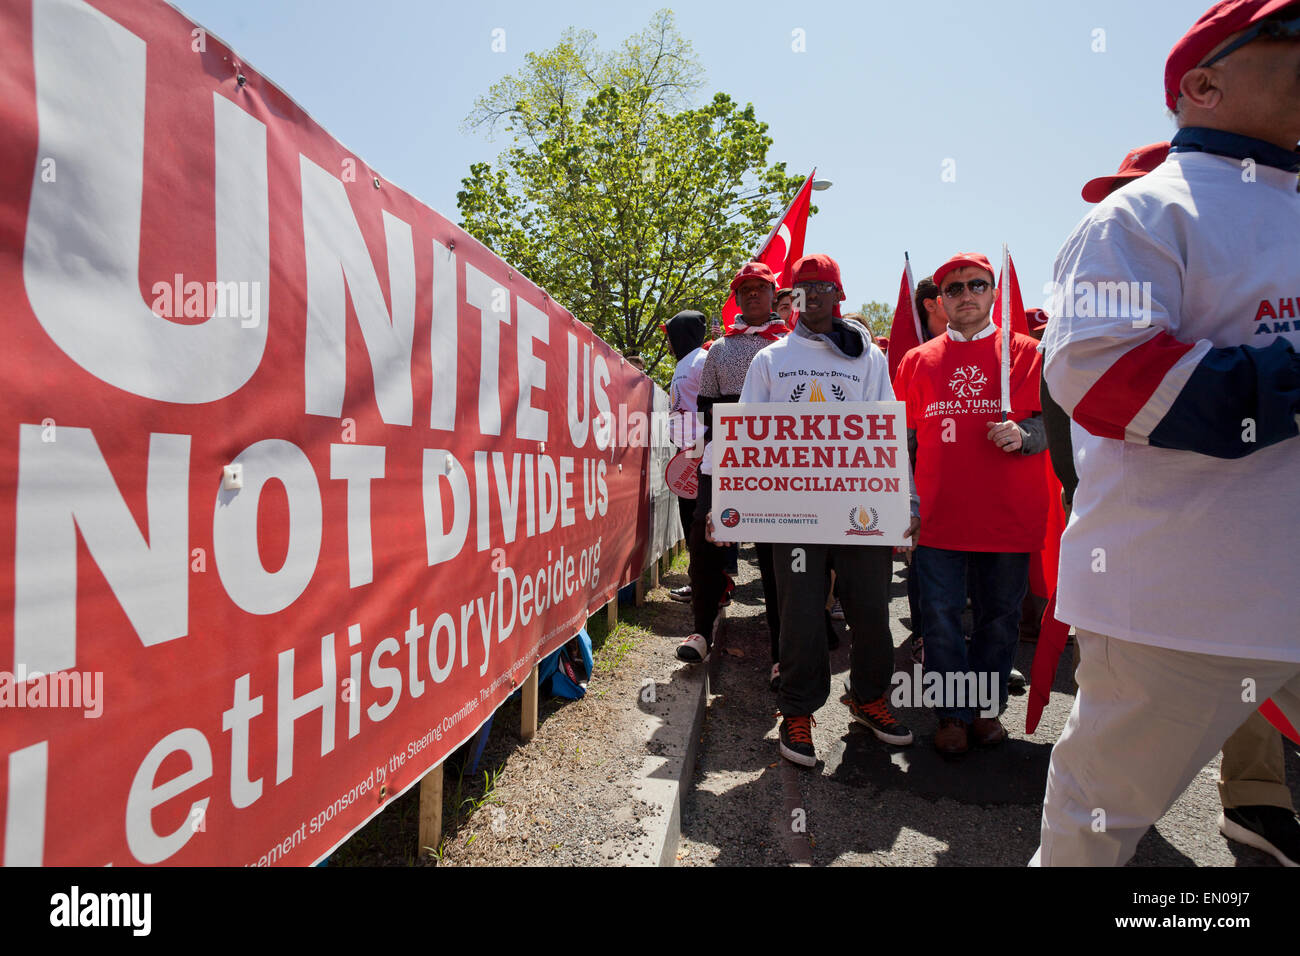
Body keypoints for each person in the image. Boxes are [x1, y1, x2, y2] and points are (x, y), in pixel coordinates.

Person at [1036, 0, 1300, 860]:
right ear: (1203, 83)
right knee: (1092, 841)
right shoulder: (1141, 216)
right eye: (1291, 36)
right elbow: (1108, 379)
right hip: (1181, 610)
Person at [737, 254, 918, 765]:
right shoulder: (769, 361)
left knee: (870, 610)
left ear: (840, 296)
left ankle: (868, 699)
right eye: (801, 288)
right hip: (793, 510)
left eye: (822, 287)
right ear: (789, 298)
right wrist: (727, 506)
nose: (811, 296)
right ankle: (797, 710)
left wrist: (905, 501)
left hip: (862, 508)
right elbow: (747, 439)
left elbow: (888, 435)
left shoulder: (869, 359)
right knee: (799, 613)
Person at [893, 253, 1049, 755]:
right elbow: (901, 444)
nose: (966, 295)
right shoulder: (916, 361)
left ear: (992, 293)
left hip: (1008, 518)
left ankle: (985, 709)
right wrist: (905, 505)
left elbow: (1058, 429)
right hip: (938, 519)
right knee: (938, 618)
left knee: (998, 618)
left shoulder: (1029, 354)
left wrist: (1025, 434)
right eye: (955, 289)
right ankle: (952, 714)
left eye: (976, 285)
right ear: (940, 302)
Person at [676, 262, 788, 664]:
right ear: (736, 298)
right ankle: (702, 630)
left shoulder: (790, 345)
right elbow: (706, 408)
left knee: (776, 557)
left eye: (760, 287)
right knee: (703, 542)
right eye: (745, 289)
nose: (753, 294)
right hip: (722, 460)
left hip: (778, 467)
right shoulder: (719, 349)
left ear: (774, 294)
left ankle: (781, 651)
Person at [663, 310, 708, 605]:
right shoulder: (683, 363)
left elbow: (713, 408)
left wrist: (700, 446)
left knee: (701, 525)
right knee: (690, 523)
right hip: (686, 456)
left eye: (669, 335)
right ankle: (699, 584)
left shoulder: (702, 361)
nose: (666, 342)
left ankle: (710, 588)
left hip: (701, 455)